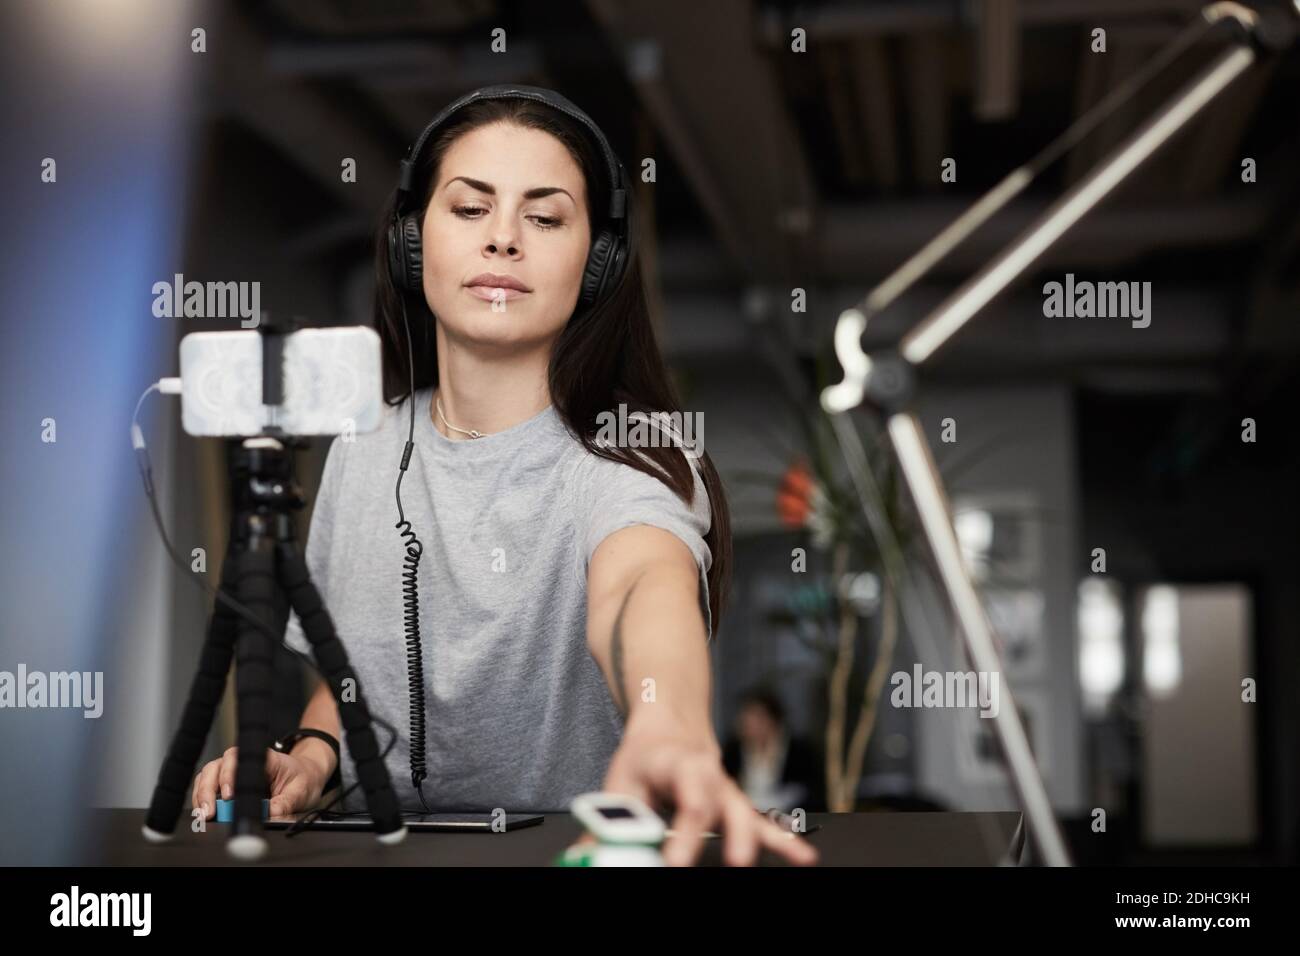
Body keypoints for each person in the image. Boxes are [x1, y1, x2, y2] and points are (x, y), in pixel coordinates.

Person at [190, 86, 816, 867]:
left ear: (598, 262)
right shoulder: (365, 446)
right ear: (414, 244)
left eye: (545, 217)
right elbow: (356, 677)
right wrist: (313, 758)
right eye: (470, 209)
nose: (504, 240)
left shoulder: (634, 450)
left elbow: (639, 588)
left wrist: (668, 724)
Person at [723, 688, 826, 812]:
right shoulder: (732, 751)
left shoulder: (800, 751)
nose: (750, 724)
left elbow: (810, 793)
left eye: (758, 717)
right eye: (746, 717)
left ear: (773, 719)